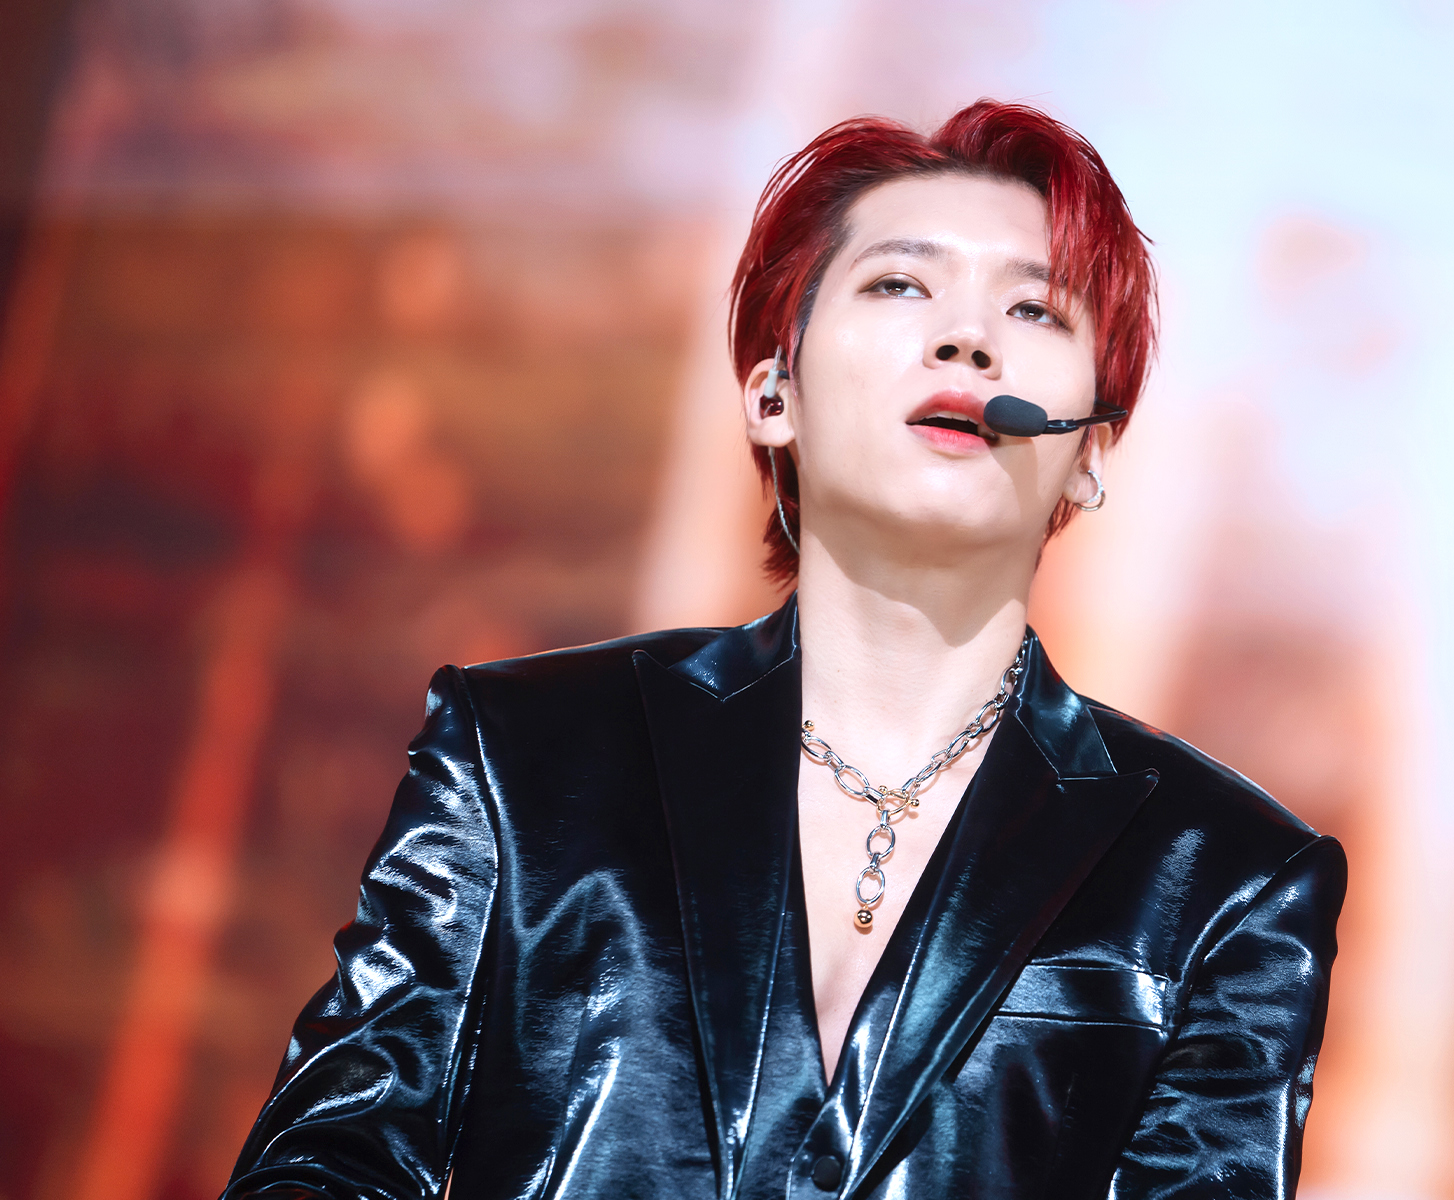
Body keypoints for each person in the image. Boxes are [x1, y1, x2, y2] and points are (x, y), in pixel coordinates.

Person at [224, 99, 1345, 1200]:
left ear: (1090, 450)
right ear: (773, 394)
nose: (967, 339)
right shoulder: (522, 755)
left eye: (1035, 309)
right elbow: (328, 1163)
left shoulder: (1228, 879)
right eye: (899, 284)